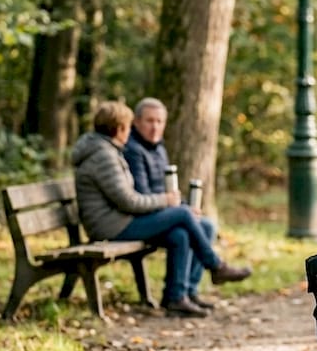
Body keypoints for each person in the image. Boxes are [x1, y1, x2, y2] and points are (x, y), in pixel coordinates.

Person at [72, 101, 251, 317]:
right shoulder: (103, 157)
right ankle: (215, 266)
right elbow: (130, 201)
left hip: (118, 220)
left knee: (179, 234)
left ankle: (176, 297)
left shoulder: (108, 152)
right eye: (129, 127)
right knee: (183, 214)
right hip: (111, 226)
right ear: (119, 128)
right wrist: (167, 201)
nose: (130, 133)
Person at [122, 97, 220, 309]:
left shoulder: (158, 148)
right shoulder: (133, 150)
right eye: (149, 121)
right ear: (136, 122)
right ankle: (204, 274)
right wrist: (177, 208)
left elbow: (164, 190)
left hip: (160, 212)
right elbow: (142, 195)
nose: (155, 126)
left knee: (206, 225)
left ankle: (186, 292)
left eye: (159, 121)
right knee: (182, 230)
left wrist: (184, 205)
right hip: (141, 217)